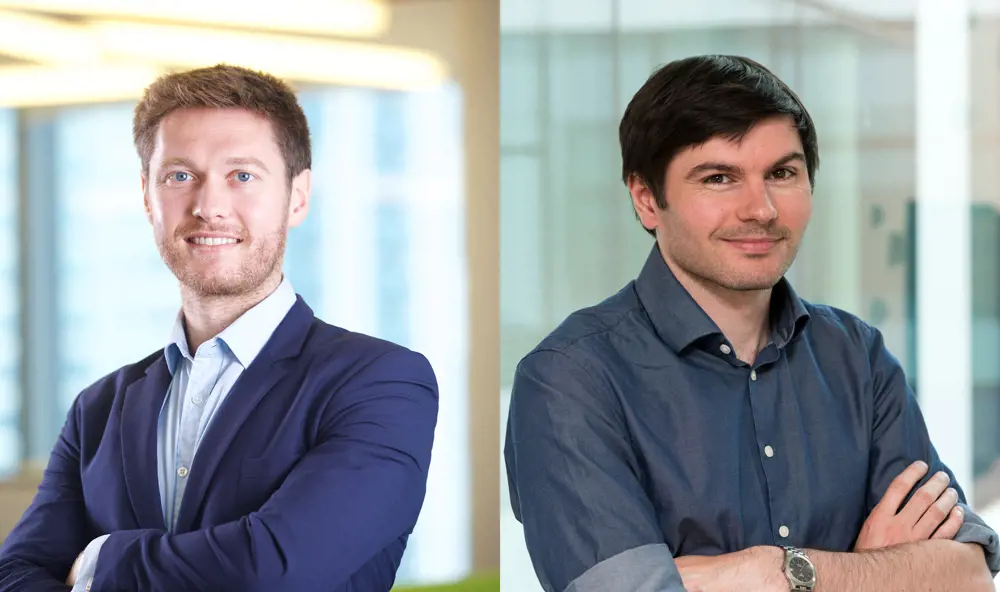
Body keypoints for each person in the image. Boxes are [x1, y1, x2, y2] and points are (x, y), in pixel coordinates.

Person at [504, 55, 999, 592]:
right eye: (719, 178)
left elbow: (968, 573)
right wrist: (875, 572)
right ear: (647, 199)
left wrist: (773, 571)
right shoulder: (569, 380)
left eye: (782, 174)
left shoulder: (857, 356)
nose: (760, 209)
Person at [0, 64, 439, 592]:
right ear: (147, 196)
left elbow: (273, 569)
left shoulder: (380, 383)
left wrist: (101, 562)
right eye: (180, 176)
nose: (208, 207)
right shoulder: (99, 410)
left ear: (297, 196)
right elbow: (13, 574)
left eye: (243, 176)